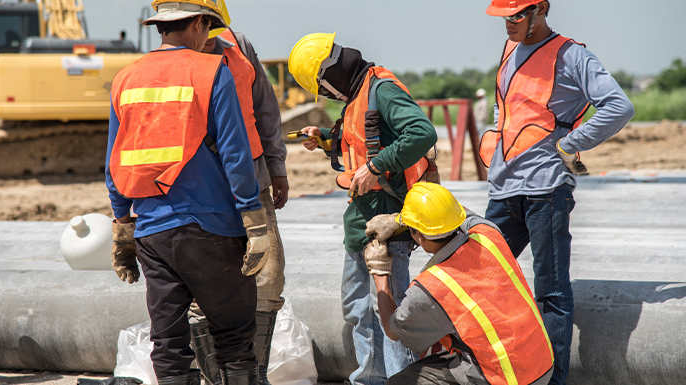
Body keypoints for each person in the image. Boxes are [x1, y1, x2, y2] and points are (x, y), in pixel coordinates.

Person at [106, 1, 269, 384]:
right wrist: (253, 217)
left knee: (167, 342)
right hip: (211, 228)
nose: (210, 38)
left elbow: (116, 158)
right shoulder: (213, 71)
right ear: (197, 22)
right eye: (209, 29)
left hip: (152, 234)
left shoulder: (125, 77)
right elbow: (235, 151)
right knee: (233, 339)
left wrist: (122, 225)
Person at [479, 1, 635, 384]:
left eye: (515, 16)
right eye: (503, 17)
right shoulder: (510, 50)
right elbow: (509, 111)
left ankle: (553, 379)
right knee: (482, 278)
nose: (507, 24)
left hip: (546, 189)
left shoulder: (571, 55)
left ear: (540, 10)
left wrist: (570, 143)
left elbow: (619, 106)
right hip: (504, 189)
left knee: (549, 291)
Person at [288, 33, 438, 385]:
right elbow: (364, 141)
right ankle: (369, 380)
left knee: (391, 313)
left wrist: (373, 169)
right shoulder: (358, 94)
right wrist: (327, 138)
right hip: (360, 224)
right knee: (359, 310)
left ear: (328, 76)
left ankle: (401, 380)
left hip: (386, 225)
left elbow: (421, 132)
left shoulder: (380, 89)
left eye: (322, 88)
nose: (325, 95)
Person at [186, 3, 289, 384]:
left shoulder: (237, 45)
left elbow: (265, 108)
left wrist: (276, 167)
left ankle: (253, 374)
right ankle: (217, 376)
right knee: (203, 286)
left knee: (268, 275)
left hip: (254, 181)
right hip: (200, 194)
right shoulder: (171, 64)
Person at [363, 182, 554, 385]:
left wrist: (380, 272)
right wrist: (401, 220)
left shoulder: (431, 287)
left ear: (418, 236)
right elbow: (456, 212)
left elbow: (393, 330)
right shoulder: (487, 234)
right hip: (542, 364)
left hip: (505, 379)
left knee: (402, 382)